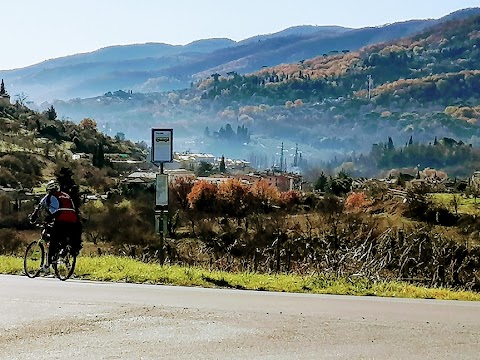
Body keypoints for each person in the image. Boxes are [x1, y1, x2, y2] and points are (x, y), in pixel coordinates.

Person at [29, 180, 82, 273]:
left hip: (61, 219)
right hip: (74, 220)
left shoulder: (49, 196)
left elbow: (39, 207)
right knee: (64, 237)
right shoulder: (66, 195)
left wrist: (33, 218)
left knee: (53, 241)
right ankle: (64, 251)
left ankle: (47, 265)